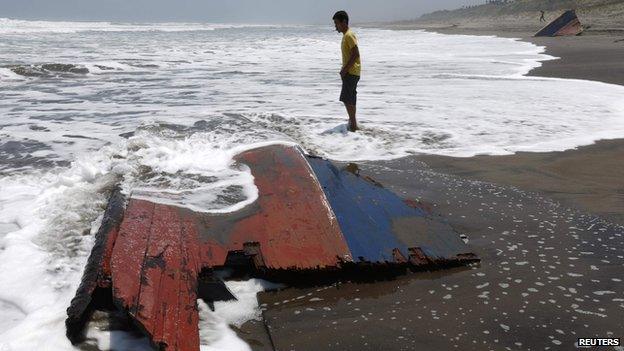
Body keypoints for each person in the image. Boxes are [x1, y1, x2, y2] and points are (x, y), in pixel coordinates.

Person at [333, 10, 361, 132]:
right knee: (350, 98)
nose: (335, 26)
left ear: (344, 22)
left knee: (346, 98)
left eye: (336, 23)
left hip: (351, 72)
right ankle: (353, 122)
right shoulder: (346, 36)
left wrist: (345, 70)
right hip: (353, 72)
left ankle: (353, 124)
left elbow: (356, 54)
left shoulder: (349, 35)